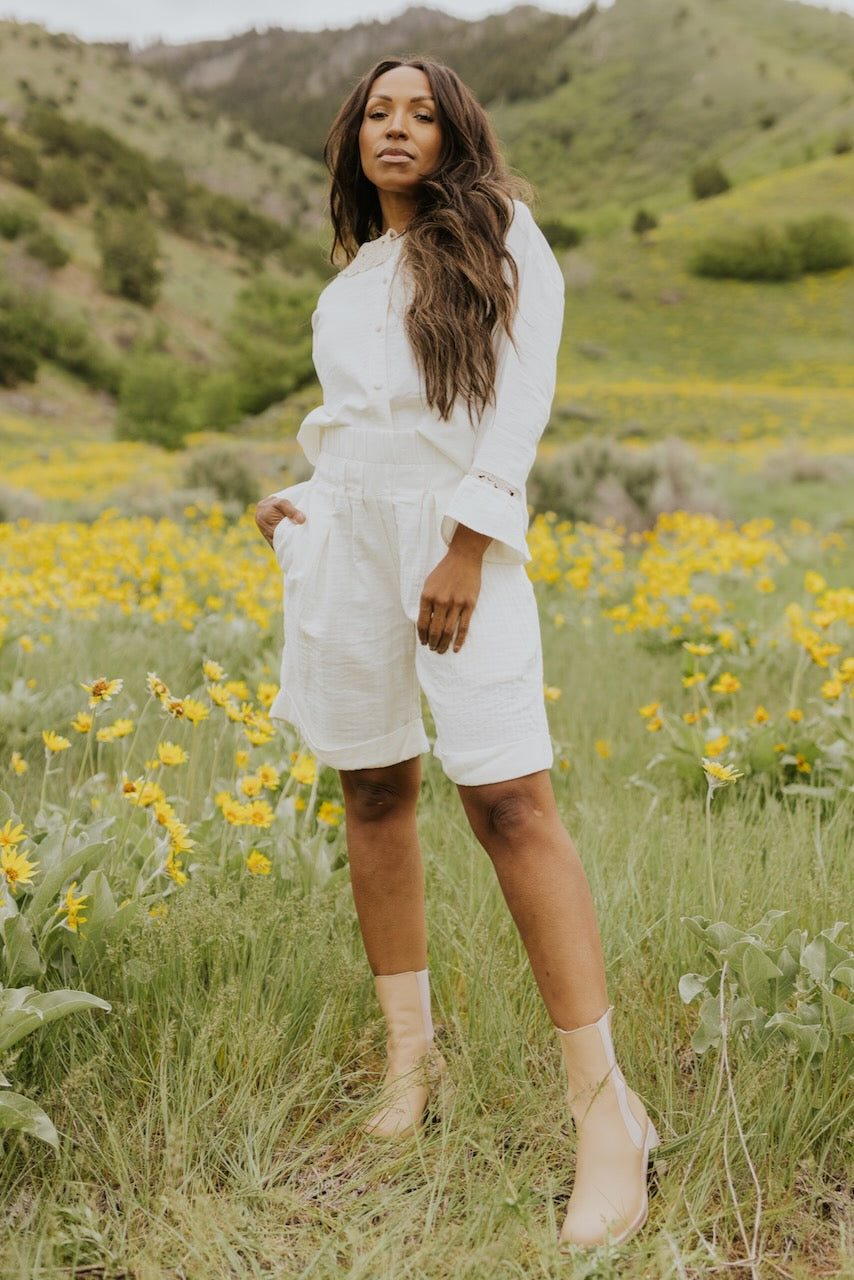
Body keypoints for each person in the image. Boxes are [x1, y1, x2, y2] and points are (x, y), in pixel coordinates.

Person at [255, 57, 660, 1248]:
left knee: (508, 804)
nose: (396, 128)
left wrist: (468, 541)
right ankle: (410, 1066)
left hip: (454, 546)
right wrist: (300, 496)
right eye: (377, 113)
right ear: (351, 139)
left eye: (419, 113)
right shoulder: (351, 276)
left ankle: (604, 1113)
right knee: (372, 786)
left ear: (453, 134)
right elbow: (366, 433)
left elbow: (516, 400)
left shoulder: (499, 235)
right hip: (347, 544)